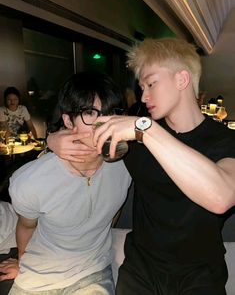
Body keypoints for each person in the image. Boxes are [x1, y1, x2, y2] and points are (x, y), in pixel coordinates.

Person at [47, 38, 235, 295]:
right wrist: (52, 139)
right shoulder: (135, 136)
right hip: (141, 271)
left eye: (151, 83)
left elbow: (221, 197)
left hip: (200, 273)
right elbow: (82, 138)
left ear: (182, 80)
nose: (144, 95)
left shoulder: (225, 140)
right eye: (141, 86)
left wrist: (143, 129)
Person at [7, 72, 131, 294]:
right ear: (67, 121)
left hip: (91, 273)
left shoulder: (127, 166)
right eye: (90, 113)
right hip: (38, 278)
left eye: (110, 113)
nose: (103, 123)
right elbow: (26, 227)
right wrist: (22, 263)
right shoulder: (30, 181)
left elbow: (113, 212)